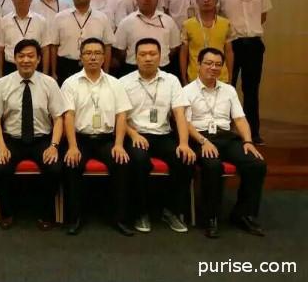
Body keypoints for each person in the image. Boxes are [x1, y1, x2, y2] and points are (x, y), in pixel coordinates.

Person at [183, 47, 266, 238]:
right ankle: (210, 217)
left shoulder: (229, 90)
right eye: (208, 63)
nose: (213, 68)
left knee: (256, 164)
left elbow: (240, 119)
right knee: (212, 166)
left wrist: (248, 141)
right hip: (199, 137)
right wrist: (203, 141)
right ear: (198, 64)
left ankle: (243, 214)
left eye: (218, 64)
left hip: (225, 136)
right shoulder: (187, 91)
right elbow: (185, 123)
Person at [0, 39, 67, 230]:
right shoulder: (2, 84)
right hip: (11, 140)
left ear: (38, 59)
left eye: (30, 56)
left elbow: (58, 118)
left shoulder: (49, 83)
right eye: (21, 56)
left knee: (55, 169)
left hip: (42, 139)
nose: (26, 60)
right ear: (14, 59)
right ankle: (8, 212)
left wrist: (54, 146)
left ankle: (45, 213)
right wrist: (1, 146)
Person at [120, 38, 196, 233]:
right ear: (135, 57)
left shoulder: (172, 81)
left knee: (184, 158)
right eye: (143, 54)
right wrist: (133, 134)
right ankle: (141, 212)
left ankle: (171, 210)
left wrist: (184, 143)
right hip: (135, 134)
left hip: (163, 134)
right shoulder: (124, 82)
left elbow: (179, 114)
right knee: (139, 160)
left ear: (160, 57)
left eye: (152, 54)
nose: (148, 58)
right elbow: (118, 118)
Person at [61, 38, 134, 236]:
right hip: (80, 139)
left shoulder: (115, 83)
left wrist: (119, 144)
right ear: (81, 57)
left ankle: (119, 219)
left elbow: (121, 115)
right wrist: (72, 146)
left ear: (104, 57)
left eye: (97, 53)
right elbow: (69, 116)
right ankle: (74, 218)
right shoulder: (70, 83)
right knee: (71, 163)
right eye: (88, 53)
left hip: (107, 138)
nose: (92, 57)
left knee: (122, 162)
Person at [216, 0, 273, 145]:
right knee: (226, 88)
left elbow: (263, 16)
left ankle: (252, 132)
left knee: (251, 90)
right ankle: (225, 131)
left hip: (254, 44)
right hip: (230, 45)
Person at [51, 0, 114, 85]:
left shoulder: (102, 18)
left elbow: (107, 46)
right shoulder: (59, 17)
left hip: (94, 65)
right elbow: (53, 46)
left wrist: (106, 72)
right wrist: (53, 72)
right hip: (65, 67)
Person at [114, 0, 180, 75]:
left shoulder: (168, 21)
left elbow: (174, 47)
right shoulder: (126, 22)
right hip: (133, 69)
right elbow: (120, 50)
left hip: (163, 68)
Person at [180, 0, 234, 85]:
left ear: (216, 1)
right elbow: (184, 53)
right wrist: (183, 78)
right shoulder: (187, 25)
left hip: (221, 77)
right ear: (197, 0)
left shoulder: (225, 24)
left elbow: (229, 52)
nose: (206, 0)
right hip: (195, 77)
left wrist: (230, 76)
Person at [0, 0, 50, 76]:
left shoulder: (41, 20)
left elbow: (45, 50)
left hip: (35, 67)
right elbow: (0, 50)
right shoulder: (3, 21)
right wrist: (0, 75)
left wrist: (45, 74)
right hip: (10, 67)